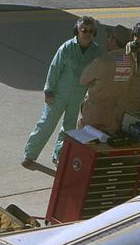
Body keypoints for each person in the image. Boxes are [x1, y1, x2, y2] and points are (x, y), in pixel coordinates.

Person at [22, 16, 102, 167]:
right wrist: (48, 90)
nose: (87, 33)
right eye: (83, 30)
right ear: (77, 31)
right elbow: (54, 69)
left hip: (78, 96)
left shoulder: (96, 52)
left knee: (69, 128)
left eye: (91, 31)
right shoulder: (66, 48)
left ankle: (59, 155)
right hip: (59, 94)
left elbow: (97, 74)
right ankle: (30, 154)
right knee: (46, 124)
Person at [78, 25, 140, 134]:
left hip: (94, 115)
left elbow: (83, 79)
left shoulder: (103, 62)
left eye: (109, 37)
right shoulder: (130, 61)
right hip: (113, 116)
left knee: (85, 145)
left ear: (112, 39)